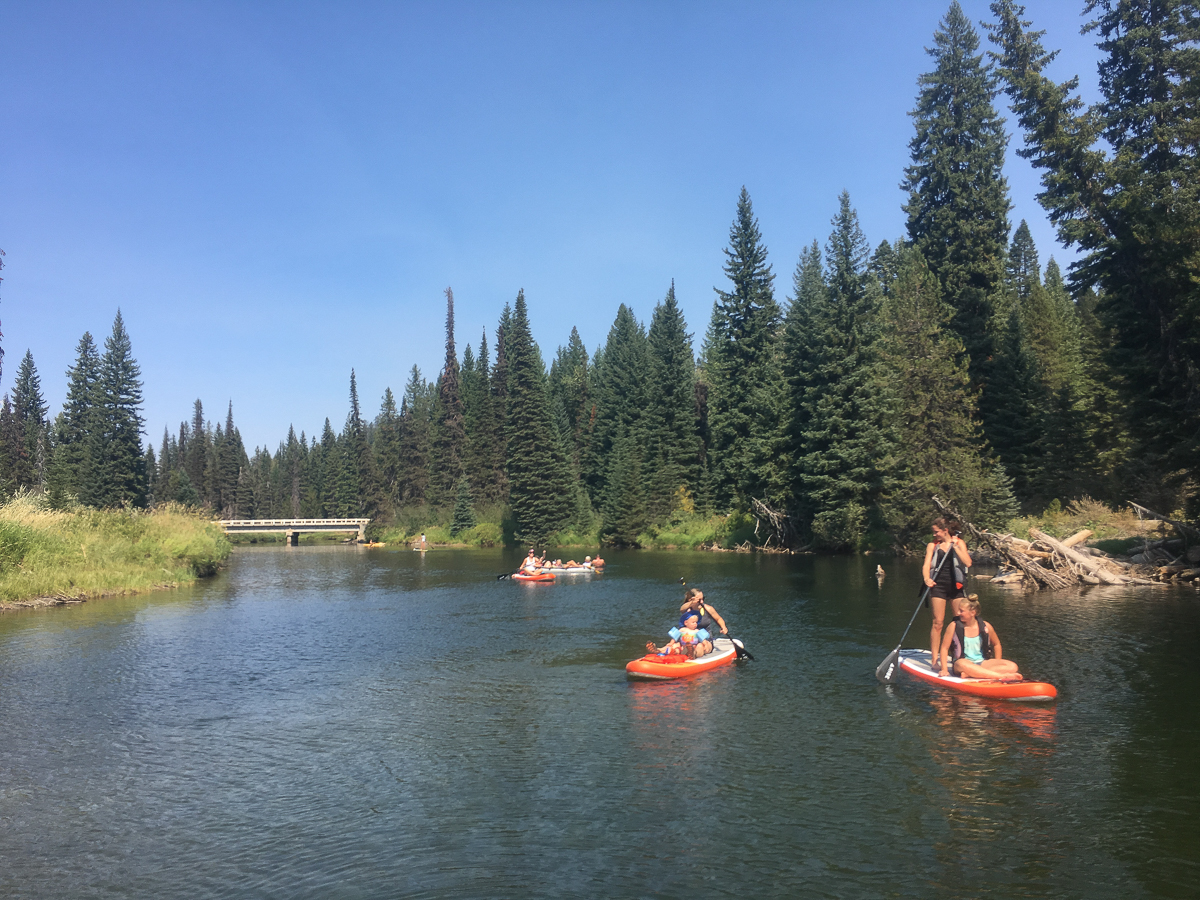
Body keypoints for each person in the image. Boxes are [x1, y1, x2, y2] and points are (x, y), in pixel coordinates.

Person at [923, 517, 972, 670]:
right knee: (938, 622)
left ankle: (959, 656)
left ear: (945, 531)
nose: (934, 535)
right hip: (938, 585)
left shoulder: (959, 543)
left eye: (936, 532)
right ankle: (934, 660)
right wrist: (927, 579)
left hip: (956, 587)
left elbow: (968, 562)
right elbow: (926, 565)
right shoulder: (933, 545)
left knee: (960, 621)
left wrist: (955, 547)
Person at [937, 597, 1020, 680]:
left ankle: (972, 674)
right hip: (963, 663)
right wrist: (944, 669)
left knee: (1012, 666)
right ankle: (1000, 676)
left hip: (982, 662)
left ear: (972, 613)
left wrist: (997, 662)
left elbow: (997, 644)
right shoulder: (953, 626)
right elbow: (944, 648)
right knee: (963, 664)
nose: (958, 613)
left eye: (961, 611)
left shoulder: (986, 626)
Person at [679, 587, 727, 657]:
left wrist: (723, 627)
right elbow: (681, 609)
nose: (702, 602)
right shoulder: (687, 610)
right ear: (691, 600)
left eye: (703, 599)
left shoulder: (708, 608)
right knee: (676, 646)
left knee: (700, 646)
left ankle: (692, 654)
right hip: (689, 640)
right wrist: (691, 603)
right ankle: (660, 651)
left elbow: (718, 619)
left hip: (706, 641)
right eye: (699, 600)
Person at [646, 612, 710, 659]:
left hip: (693, 647)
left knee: (699, 646)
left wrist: (706, 645)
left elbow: (703, 640)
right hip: (683, 648)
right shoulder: (682, 630)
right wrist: (671, 643)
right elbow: (674, 638)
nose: (695, 624)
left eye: (696, 622)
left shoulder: (697, 631)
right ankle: (658, 650)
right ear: (686, 623)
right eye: (693, 622)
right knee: (675, 645)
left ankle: (691, 653)